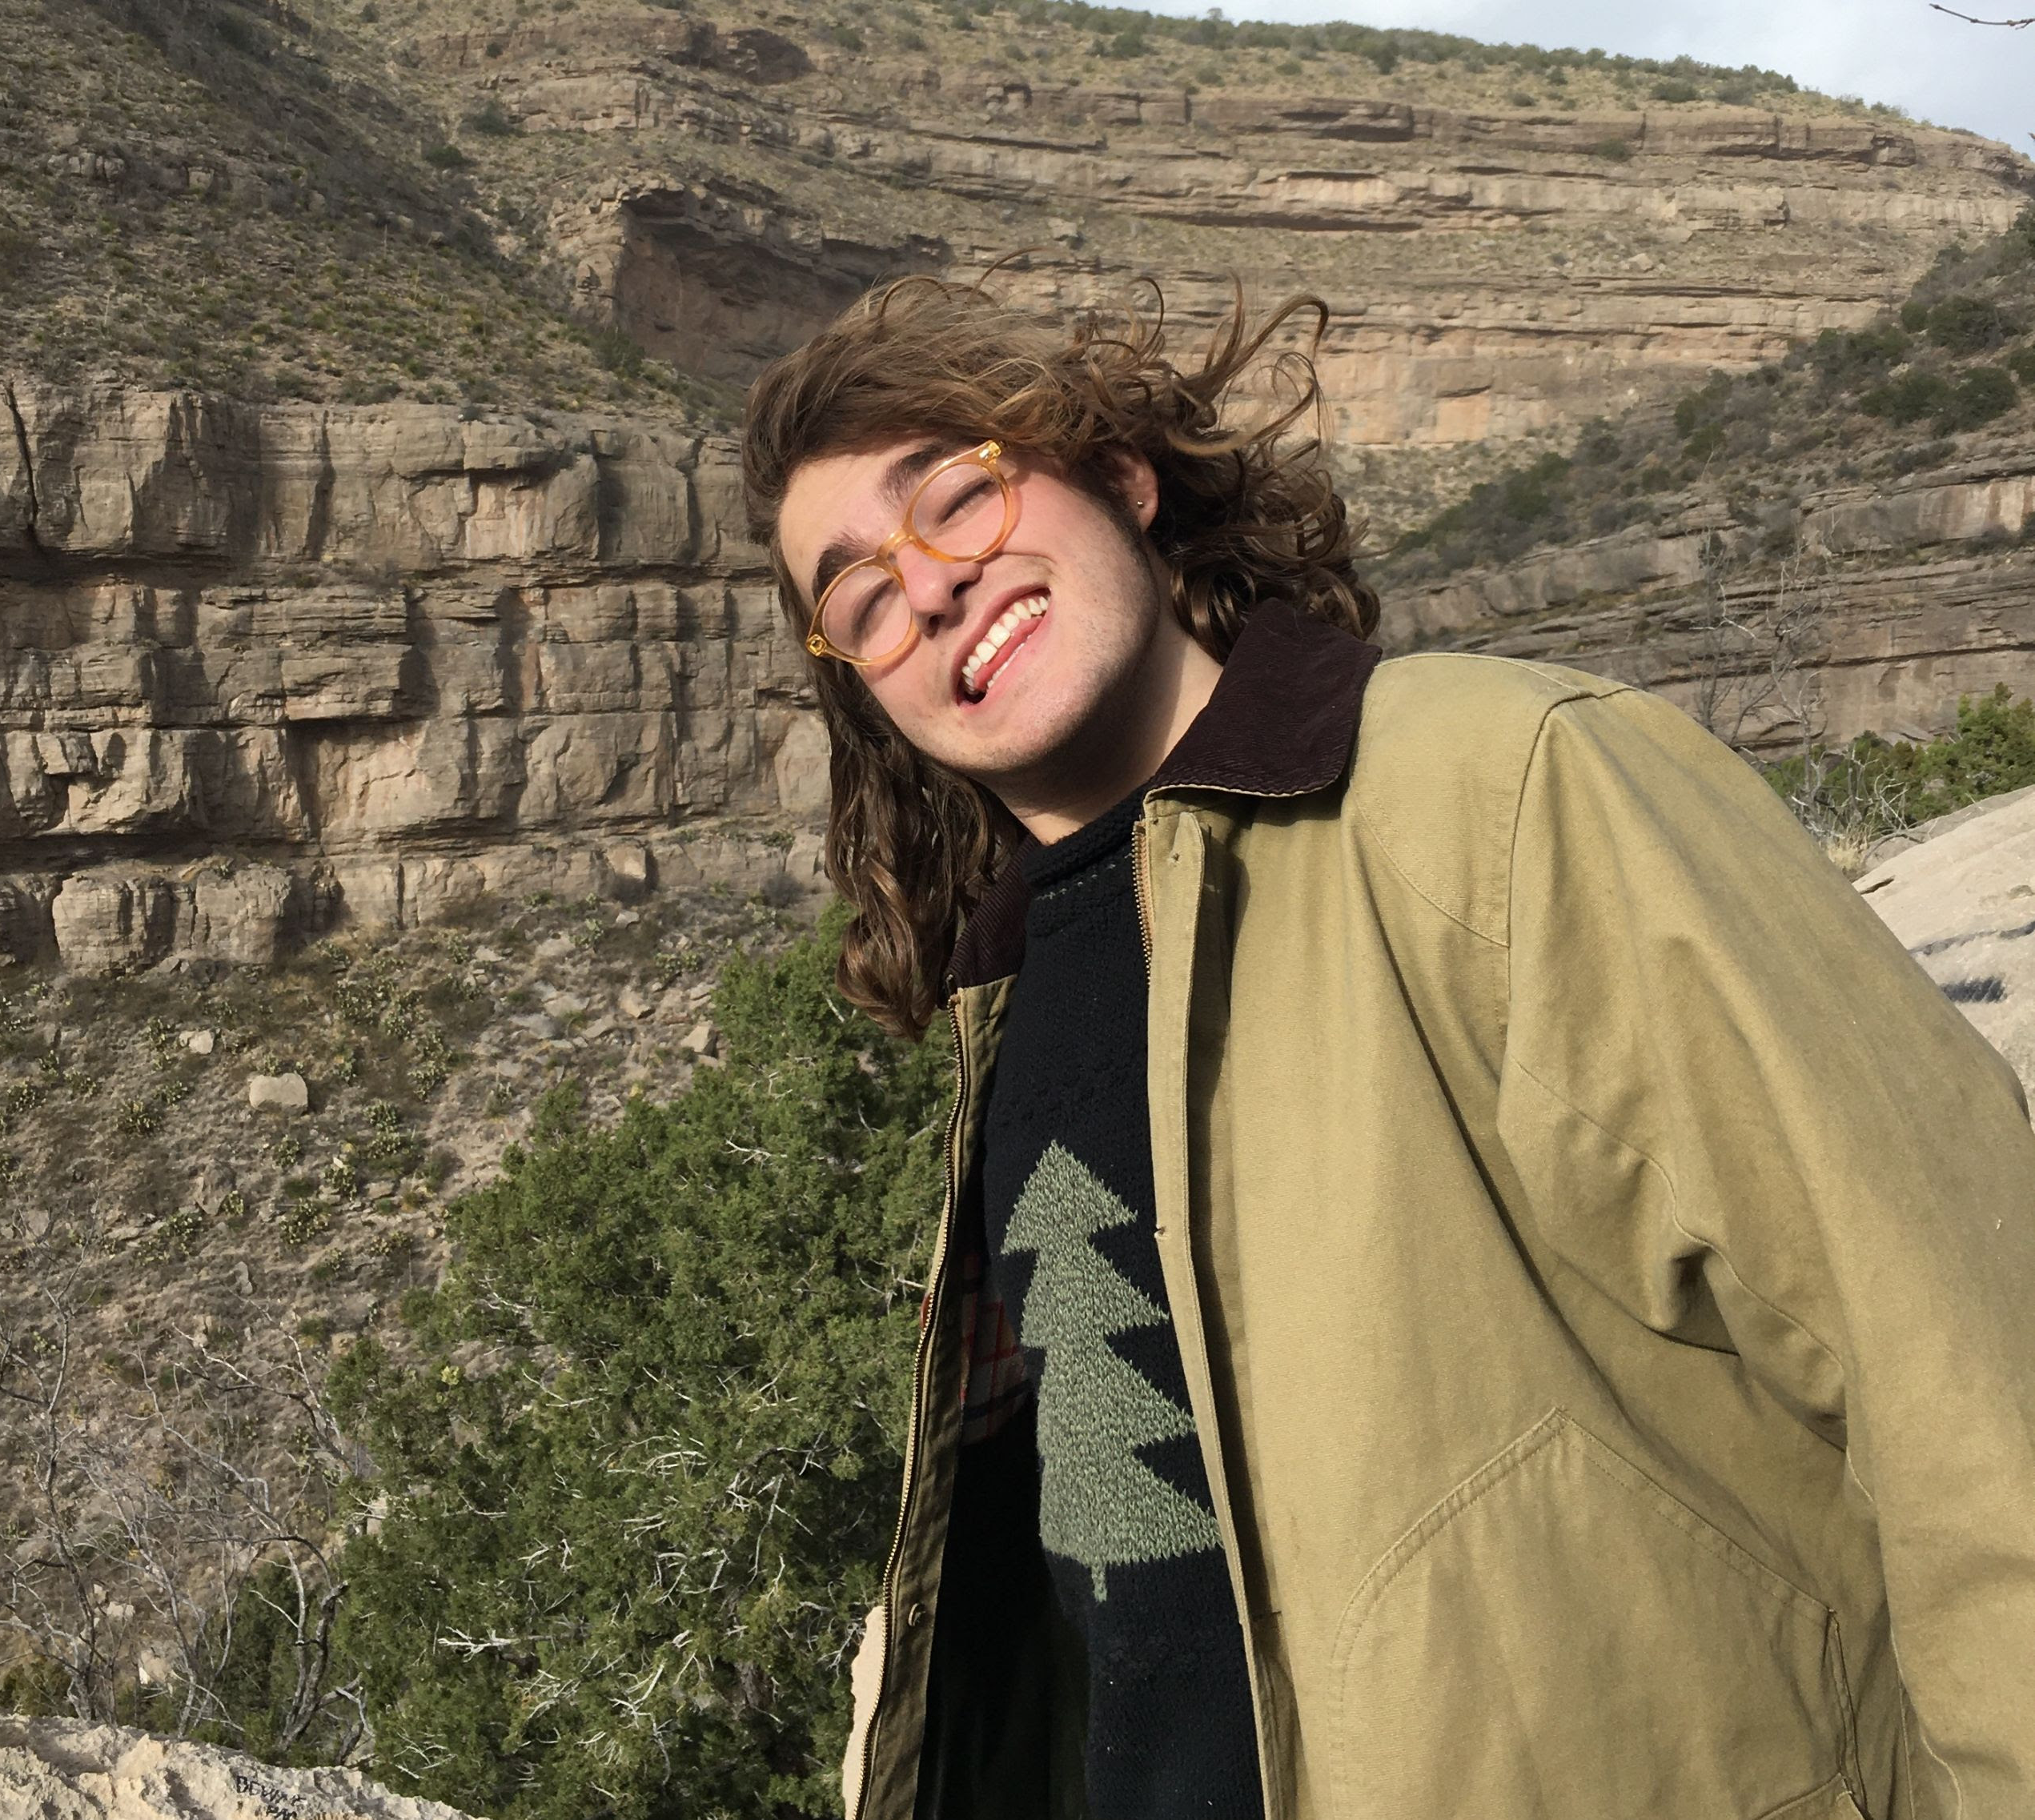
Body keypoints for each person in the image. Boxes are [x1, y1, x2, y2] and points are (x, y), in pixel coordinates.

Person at [738, 274, 2035, 1820]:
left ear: (1123, 479)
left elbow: (1962, 1362)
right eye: (862, 596)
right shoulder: (999, 1012)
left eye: (956, 496)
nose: (929, 587)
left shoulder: (1498, 783)